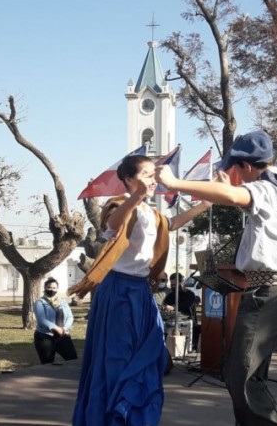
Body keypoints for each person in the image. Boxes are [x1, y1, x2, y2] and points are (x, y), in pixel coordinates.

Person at [155, 129, 277, 426]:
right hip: (271, 290)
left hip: (273, 292)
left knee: (240, 374)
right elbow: (239, 195)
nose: (233, 175)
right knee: (246, 375)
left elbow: (232, 195)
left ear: (247, 166)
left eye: (235, 168)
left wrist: (175, 182)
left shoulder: (267, 189)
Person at [70, 154, 210, 426]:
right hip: (118, 293)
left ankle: (134, 415)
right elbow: (113, 224)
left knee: (149, 354)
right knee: (118, 358)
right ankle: (111, 416)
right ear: (129, 180)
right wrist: (136, 197)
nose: (152, 179)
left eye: (152, 174)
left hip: (141, 293)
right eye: (146, 174)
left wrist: (203, 206)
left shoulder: (152, 213)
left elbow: (170, 224)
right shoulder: (120, 205)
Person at [33, 277, 78, 364]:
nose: (51, 290)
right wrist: (56, 328)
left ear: (57, 289)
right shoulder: (40, 302)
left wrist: (65, 328)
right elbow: (41, 319)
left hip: (63, 335)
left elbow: (70, 316)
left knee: (72, 359)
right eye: (49, 287)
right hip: (45, 336)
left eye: (54, 288)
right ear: (45, 288)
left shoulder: (62, 301)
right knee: (47, 363)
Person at [162, 272, 201, 352]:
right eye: (172, 285)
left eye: (175, 284)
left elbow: (186, 305)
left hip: (188, 322)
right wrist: (165, 306)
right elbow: (165, 304)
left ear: (181, 282)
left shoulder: (189, 294)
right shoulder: (171, 295)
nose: (173, 287)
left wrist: (173, 307)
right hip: (171, 321)